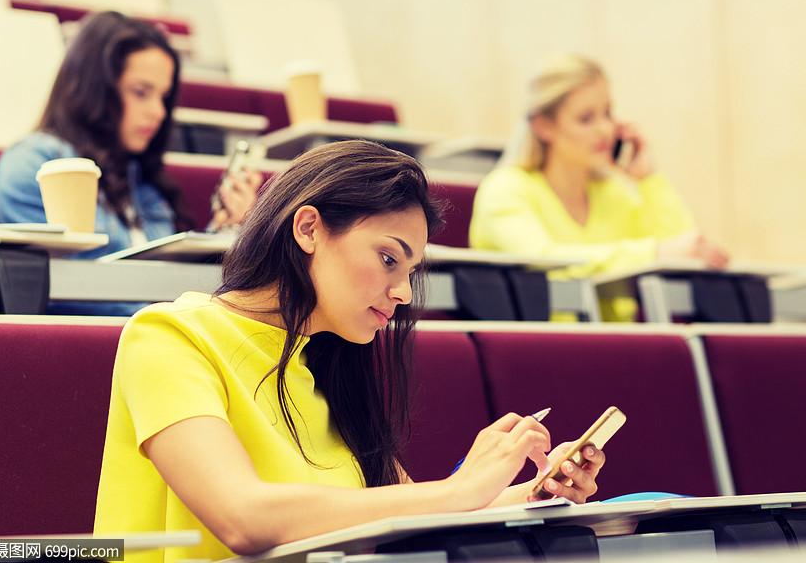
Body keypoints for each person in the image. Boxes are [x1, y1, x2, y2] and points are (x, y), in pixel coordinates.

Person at [93, 140, 607, 563]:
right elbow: (244, 519)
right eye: (388, 258)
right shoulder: (167, 336)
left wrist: (537, 492)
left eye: (410, 273)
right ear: (308, 228)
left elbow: (399, 511)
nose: (404, 293)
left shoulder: (326, 364)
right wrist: (462, 488)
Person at [0, 10, 261, 314]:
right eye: (141, 92)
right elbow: (63, 291)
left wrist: (228, 229)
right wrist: (188, 315)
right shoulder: (34, 166)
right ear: (93, 89)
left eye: (163, 97)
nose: (159, 112)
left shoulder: (139, 174)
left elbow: (160, 277)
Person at [469, 54, 729, 321]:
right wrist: (652, 253)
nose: (606, 129)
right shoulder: (504, 190)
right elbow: (544, 259)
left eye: (607, 113)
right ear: (544, 126)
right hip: (535, 353)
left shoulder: (615, 194)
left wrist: (649, 181)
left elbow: (689, 254)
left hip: (616, 352)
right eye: (586, 118)